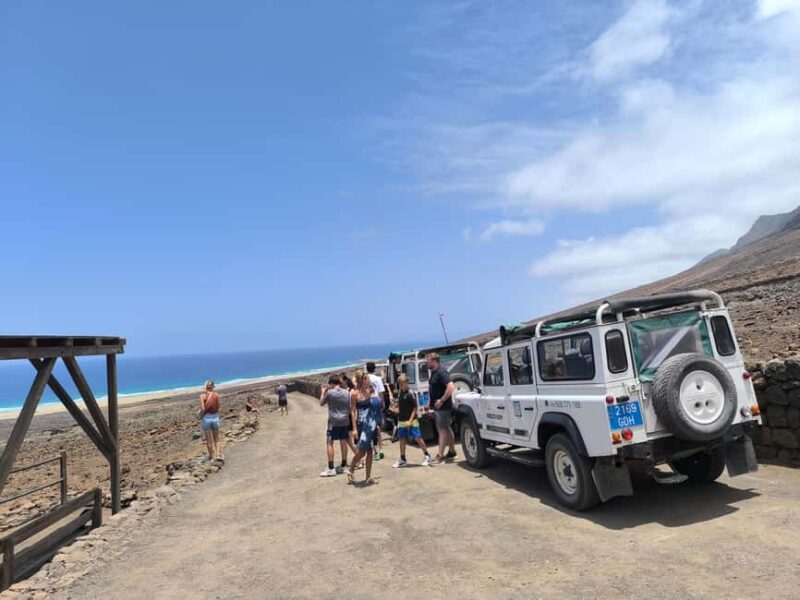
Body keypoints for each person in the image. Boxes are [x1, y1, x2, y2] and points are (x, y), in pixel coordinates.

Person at [347, 372, 382, 485]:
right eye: (367, 379)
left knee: (370, 451)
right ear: (361, 380)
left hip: (371, 424)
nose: (369, 381)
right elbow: (352, 411)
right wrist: (354, 429)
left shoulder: (369, 391)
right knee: (362, 452)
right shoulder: (355, 394)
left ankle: (368, 477)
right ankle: (351, 469)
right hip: (361, 424)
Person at [319, 375, 357, 477]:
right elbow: (350, 407)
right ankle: (344, 465)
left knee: (329, 442)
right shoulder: (346, 392)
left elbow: (321, 403)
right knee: (343, 441)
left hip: (333, 422)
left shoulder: (330, 393)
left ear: (331, 383)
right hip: (345, 420)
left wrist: (323, 392)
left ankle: (331, 468)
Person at [392, 374, 432, 467]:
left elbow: (415, 408)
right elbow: (401, 404)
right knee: (402, 439)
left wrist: (410, 420)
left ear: (406, 383)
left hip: (412, 421)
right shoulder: (400, 392)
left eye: (402, 384)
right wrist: (397, 409)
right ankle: (402, 458)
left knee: (418, 437)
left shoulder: (410, 393)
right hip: (401, 420)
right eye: (400, 384)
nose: (401, 386)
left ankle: (427, 455)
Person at [427, 353, 457, 464]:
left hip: (443, 407)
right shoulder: (435, 372)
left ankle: (440, 455)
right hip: (440, 407)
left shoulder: (441, 372)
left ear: (434, 360)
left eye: (428, 360)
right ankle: (452, 451)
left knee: (442, 430)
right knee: (447, 428)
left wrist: (442, 400)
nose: (427, 362)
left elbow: (451, 386)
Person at [366, 362, 391, 460]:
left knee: (369, 428)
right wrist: (383, 403)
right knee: (378, 428)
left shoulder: (365, 378)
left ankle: (375, 450)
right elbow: (381, 392)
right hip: (377, 402)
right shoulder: (378, 379)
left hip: (368, 403)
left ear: (367, 369)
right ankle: (380, 449)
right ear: (374, 368)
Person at [199, 381, 223, 462]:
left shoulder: (202, 396)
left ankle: (212, 457)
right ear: (213, 387)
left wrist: (201, 415)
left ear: (205, 387)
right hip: (215, 417)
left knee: (208, 439)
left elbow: (202, 409)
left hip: (206, 418)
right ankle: (219, 455)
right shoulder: (216, 395)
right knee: (217, 438)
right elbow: (219, 406)